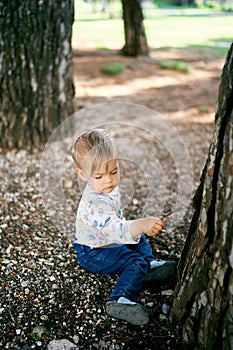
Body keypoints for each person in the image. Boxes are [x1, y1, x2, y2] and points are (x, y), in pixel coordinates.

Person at [71, 129, 176, 325]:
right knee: (133, 260)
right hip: (93, 252)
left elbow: (119, 228)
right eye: (99, 176)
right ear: (83, 174)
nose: (109, 180)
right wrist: (140, 224)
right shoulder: (96, 204)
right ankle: (120, 299)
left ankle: (149, 266)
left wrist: (137, 228)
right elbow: (115, 229)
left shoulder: (104, 186)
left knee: (139, 237)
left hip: (107, 239)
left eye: (114, 171)